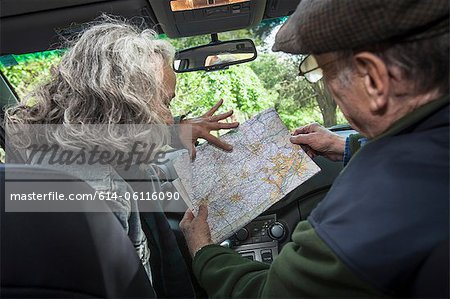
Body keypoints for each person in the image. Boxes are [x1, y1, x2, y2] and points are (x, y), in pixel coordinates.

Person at [180, 0, 449, 297]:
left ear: (373, 79)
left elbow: (268, 294)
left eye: (322, 71)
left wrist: (204, 252)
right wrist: (345, 145)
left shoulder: (373, 205)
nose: (328, 88)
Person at [5, 17, 238, 297]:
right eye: (165, 103)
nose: (167, 117)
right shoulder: (104, 191)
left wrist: (178, 132)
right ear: (127, 102)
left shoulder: (48, 153)